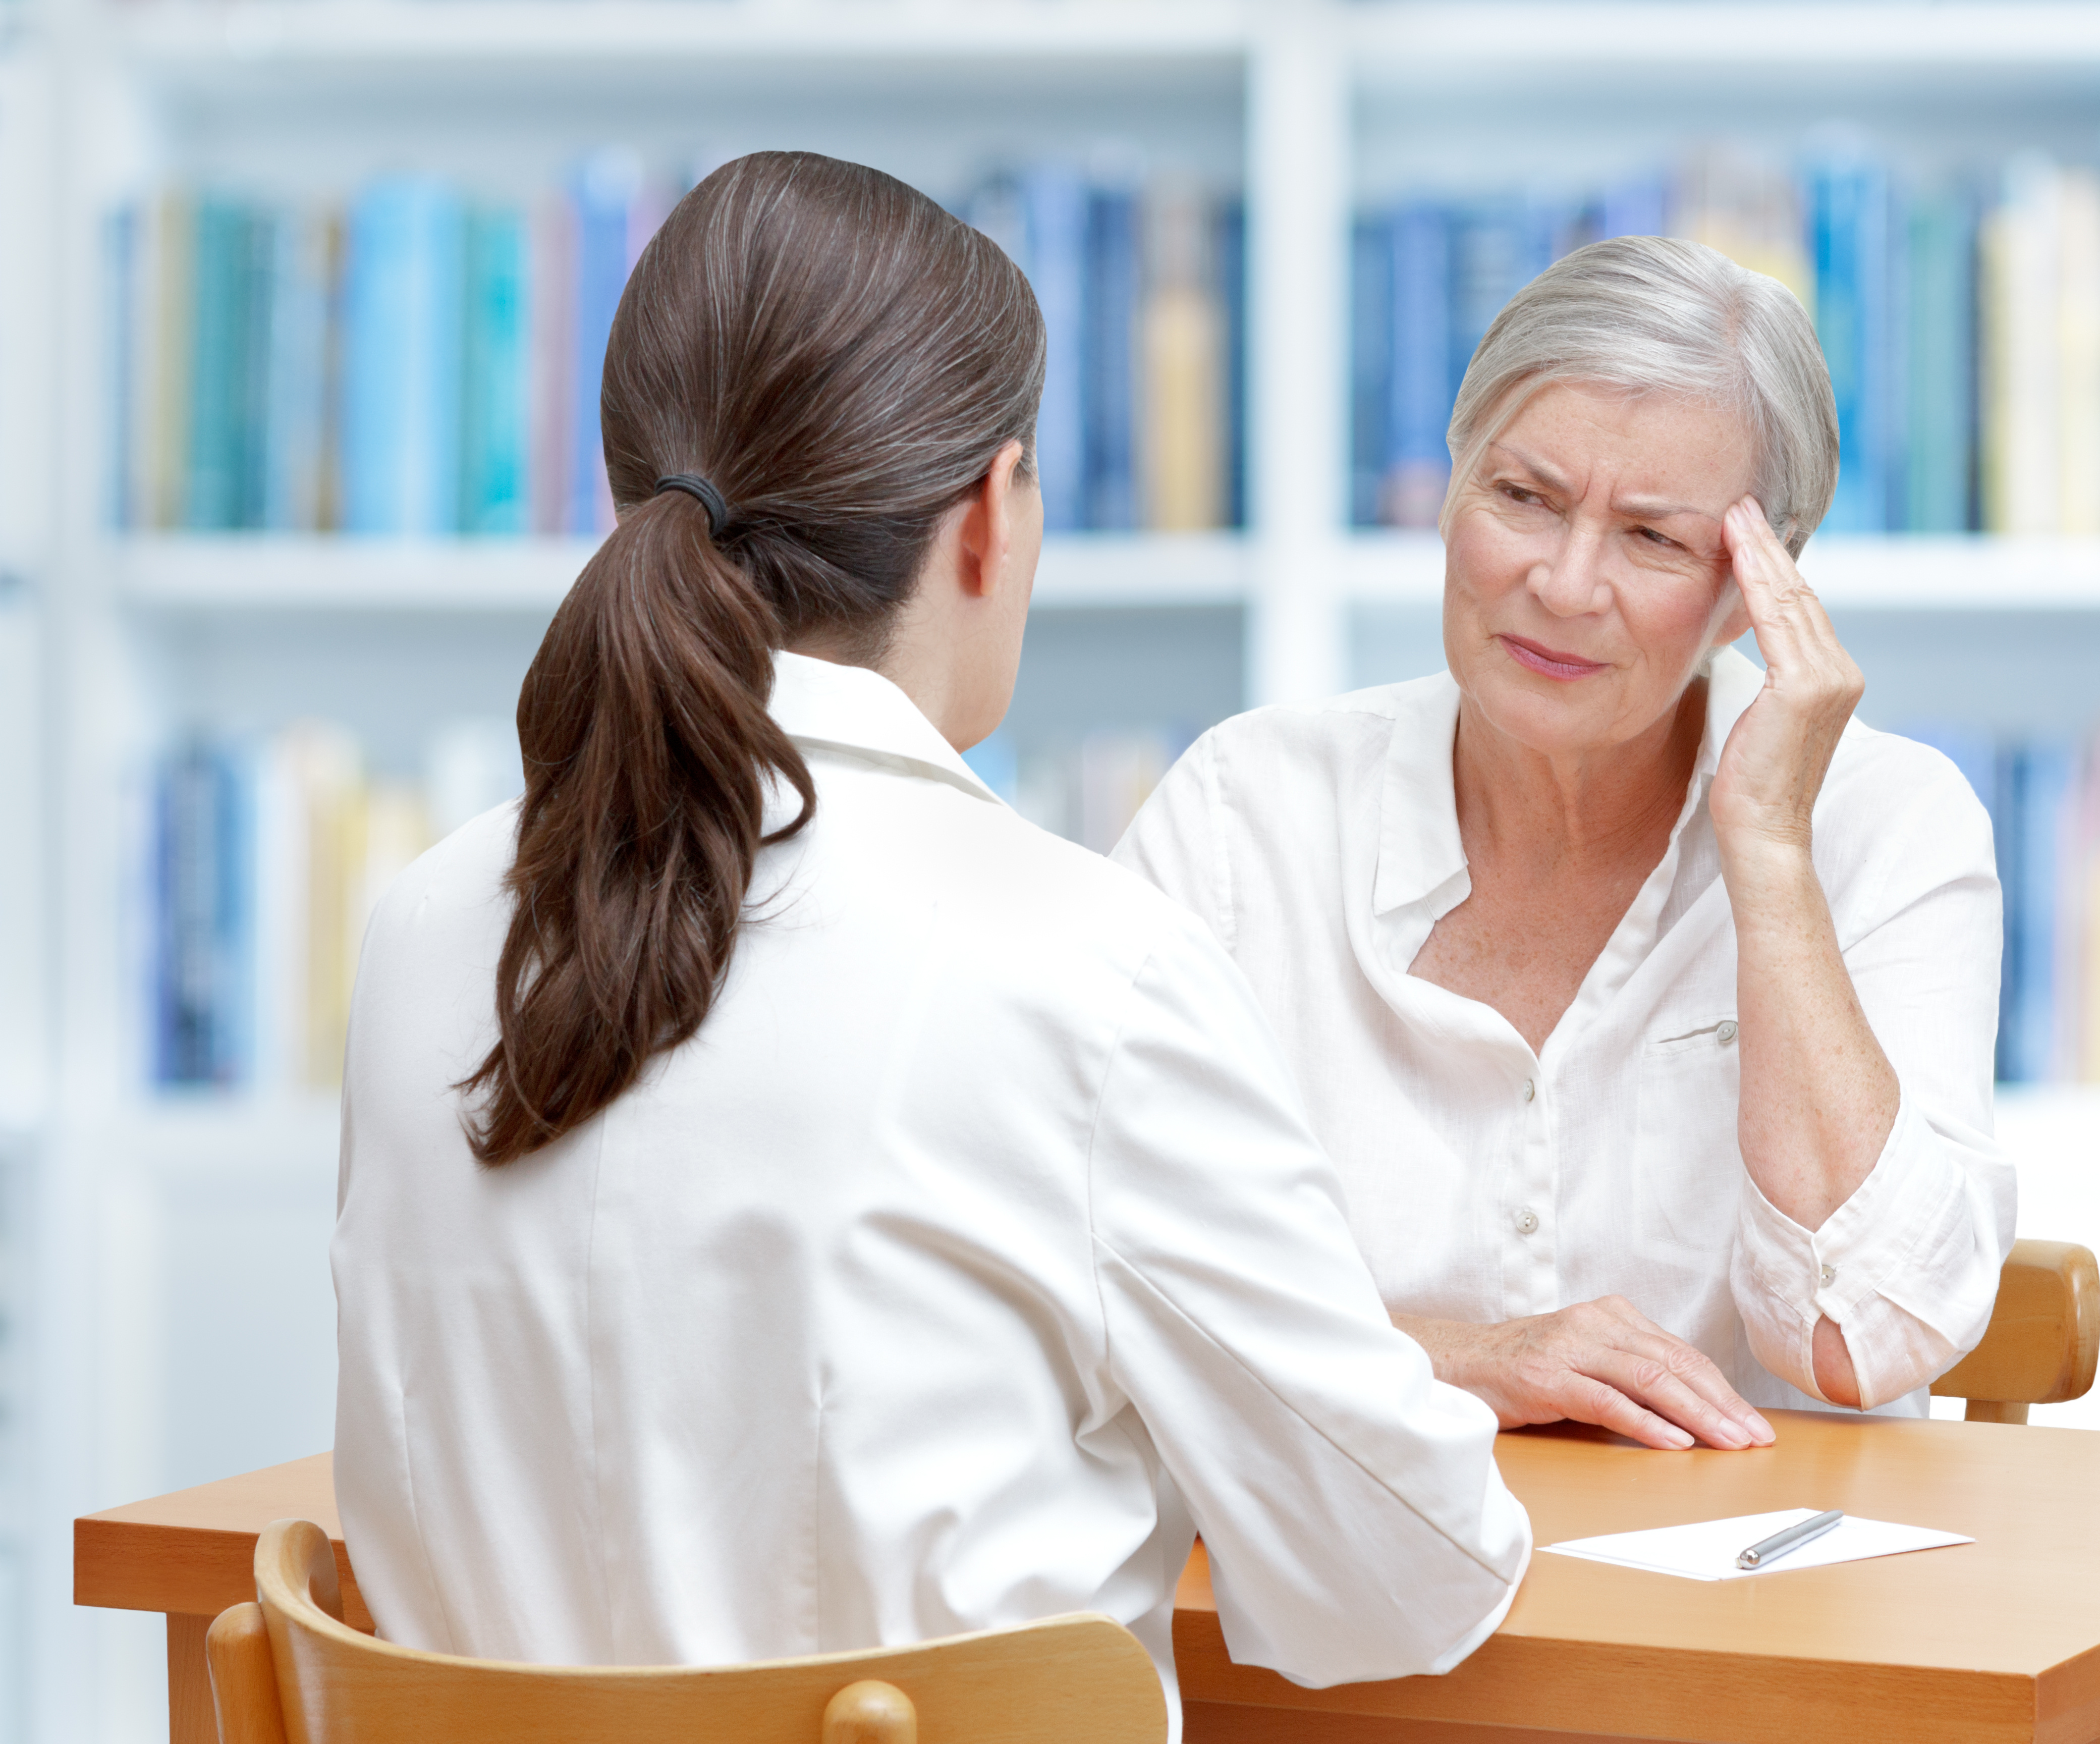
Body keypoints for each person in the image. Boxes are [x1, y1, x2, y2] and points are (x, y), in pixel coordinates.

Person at [330, 153, 1529, 1730]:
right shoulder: (1089, 967)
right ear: (990, 513)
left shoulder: (421, 927)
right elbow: (1401, 1581)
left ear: (631, 499)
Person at [1114, 236, 2014, 1452]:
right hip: (1333, 1615)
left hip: (1761, 1617)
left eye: (1653, 539)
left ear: (1759, 585)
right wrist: (1465, 1362)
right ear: (1450, 486)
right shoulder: (1245, 811)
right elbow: (1096, 1273)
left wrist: (1768, 855)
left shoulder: (1887, 824)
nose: (1565, 583)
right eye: (1524, 498)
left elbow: (1861, 1344)